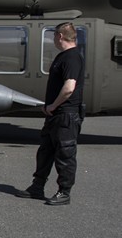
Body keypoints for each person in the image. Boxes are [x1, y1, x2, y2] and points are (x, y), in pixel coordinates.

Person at [17, 22, 85, 206]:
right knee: (45, 152)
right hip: (55, 114)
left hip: (66, 115)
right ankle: (37, 187)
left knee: (65, 155)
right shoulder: (63, 56)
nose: (54, 39)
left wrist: (53, 105)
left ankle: (64, 193)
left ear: (60, 36)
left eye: (54, 36)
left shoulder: (72, 57)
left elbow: (69, 88)